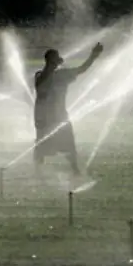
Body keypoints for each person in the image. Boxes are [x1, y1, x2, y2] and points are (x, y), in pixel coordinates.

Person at [33, 43, 103, 178]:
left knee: (69, 142)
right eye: (55, 58)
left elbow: (82, 69)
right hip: (45, 117)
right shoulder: (40, 76)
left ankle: (75, 170)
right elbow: (42, 81)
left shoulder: (62, 75)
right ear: (49, 61)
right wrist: (53, 65)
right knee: (42, 144)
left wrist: (93, 56)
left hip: (61, 115)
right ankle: (38, 171)